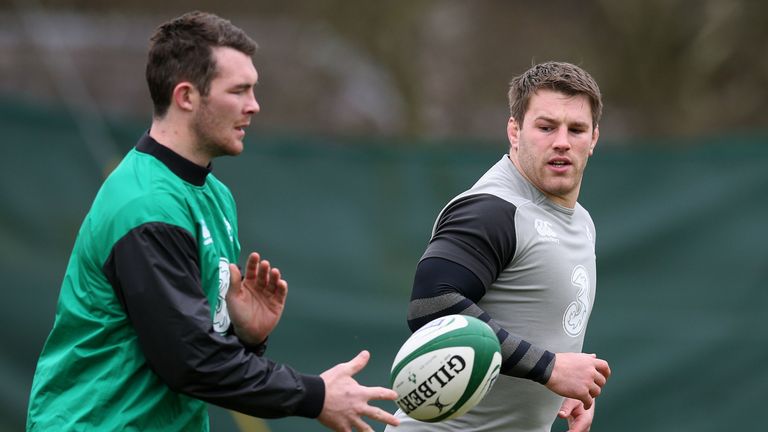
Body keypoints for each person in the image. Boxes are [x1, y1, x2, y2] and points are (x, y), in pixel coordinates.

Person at [26, 11, 399, 432]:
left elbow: (199, 349)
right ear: (186, 96)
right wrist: (315, 396)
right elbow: (191, 360)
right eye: (239, 91)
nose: (254, 105)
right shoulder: (147, 206)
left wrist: (247, 336)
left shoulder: (213, 195)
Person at [386, 62, 611, 432]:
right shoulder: (493, 209)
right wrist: (551, 368)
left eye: (576, 129)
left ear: (594, 139)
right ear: (514, 131)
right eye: (546, 126)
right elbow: (431, 305)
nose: (561, 141)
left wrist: (567, 386)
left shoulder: (581, 220)